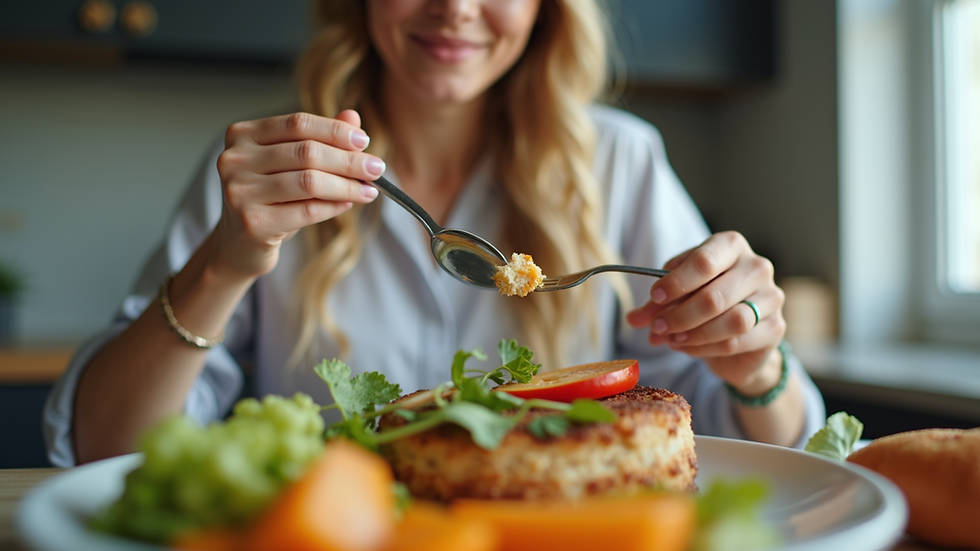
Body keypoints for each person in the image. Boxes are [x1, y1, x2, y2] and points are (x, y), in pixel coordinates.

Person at [44, 0, 825, 467]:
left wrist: (758, 363)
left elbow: (740, 444)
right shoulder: (270, 172)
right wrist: (220, 267)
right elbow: (105, 451)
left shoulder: (621, 161)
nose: (455, 7)